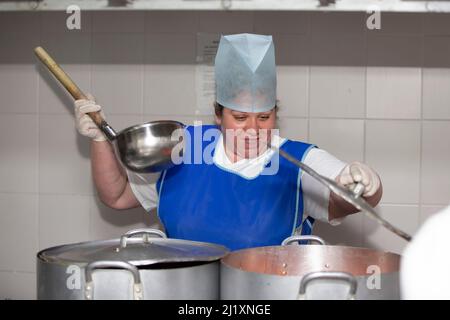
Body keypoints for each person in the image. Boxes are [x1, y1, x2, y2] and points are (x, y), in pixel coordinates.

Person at [74, 33, 382, 251]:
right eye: (240, 117)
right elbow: (117, 197)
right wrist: (100, 139)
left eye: (264, 118)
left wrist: (367, 185)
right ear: (218, 115)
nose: (252, 129)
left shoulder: (297, 160)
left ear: (276, 114)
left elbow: (350, 199)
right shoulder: (186, 147)